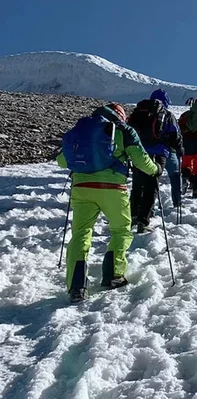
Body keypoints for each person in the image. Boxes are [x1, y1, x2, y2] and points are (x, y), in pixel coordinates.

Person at [57, 103, 161, 303]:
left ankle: (77, 286)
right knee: (121, 230)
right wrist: (155, 170)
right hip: (112, 189)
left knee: (81, 234)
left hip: (82, 187)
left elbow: (62, 160)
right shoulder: (123, 130)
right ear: (120, 115)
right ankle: (113, 275)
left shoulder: (82, 128)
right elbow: (140, 159)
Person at [127, 91, 181, 233]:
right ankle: (143, 221)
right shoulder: (167, 115)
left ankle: (133, 216)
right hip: (158, 154)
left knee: (137, 185)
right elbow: (175, 136)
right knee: (152, 186)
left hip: (138, 152)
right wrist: (180, 150)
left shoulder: (139, 111)